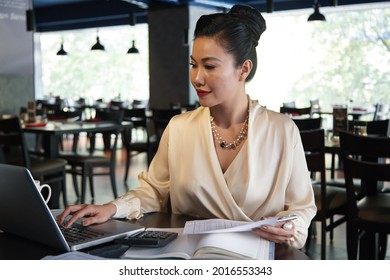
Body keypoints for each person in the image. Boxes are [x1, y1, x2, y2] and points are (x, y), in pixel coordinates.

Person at [57, 5, 316, 249]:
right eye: (193, 64)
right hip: (188, 254)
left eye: (210, 66)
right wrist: (111, 208)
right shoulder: (179, 128)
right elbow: (153, 191)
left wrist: (291, 224)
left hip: (257, 254)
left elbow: (301, 207)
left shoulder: (282, 130)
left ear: (243, 69)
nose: (197, 78)